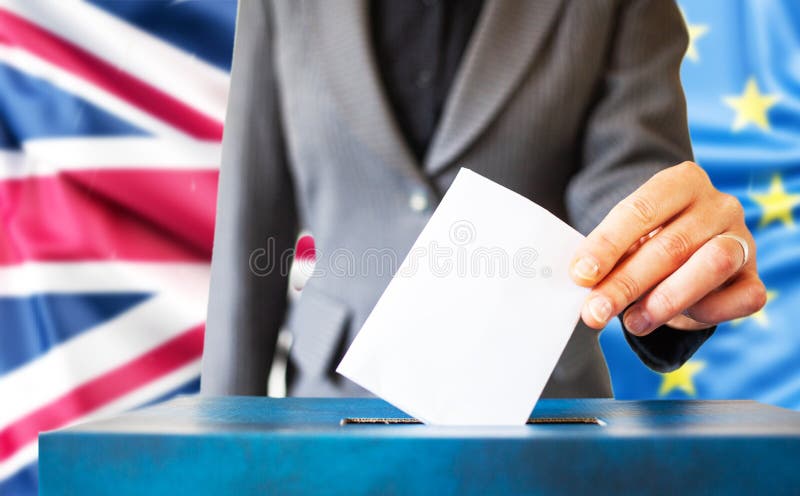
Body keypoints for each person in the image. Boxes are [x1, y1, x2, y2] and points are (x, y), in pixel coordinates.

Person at [201, 0, 767, 397]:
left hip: (538, 404)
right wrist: (219, 437)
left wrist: (666, 261)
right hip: (333, 396)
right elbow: (253, 213)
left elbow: (625, 176)